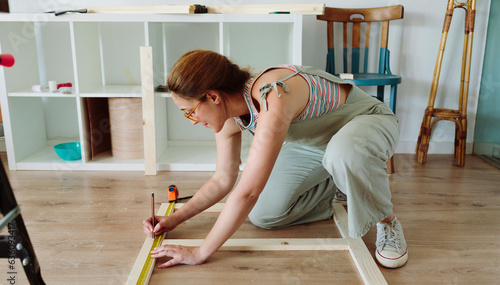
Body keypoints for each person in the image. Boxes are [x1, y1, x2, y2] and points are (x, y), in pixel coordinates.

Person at [143, 50, 408, 269]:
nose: (192, 120)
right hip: (314, 143)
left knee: (344, 154)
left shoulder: (273, 96)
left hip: (365, 122)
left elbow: (248, 192)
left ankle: (387, 220)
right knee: (264, 215)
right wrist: (177, 218)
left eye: (190, 112)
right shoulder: (228, 119)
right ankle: (344, 187)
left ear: (213, 97)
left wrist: (200, 252)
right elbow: (223, 179)